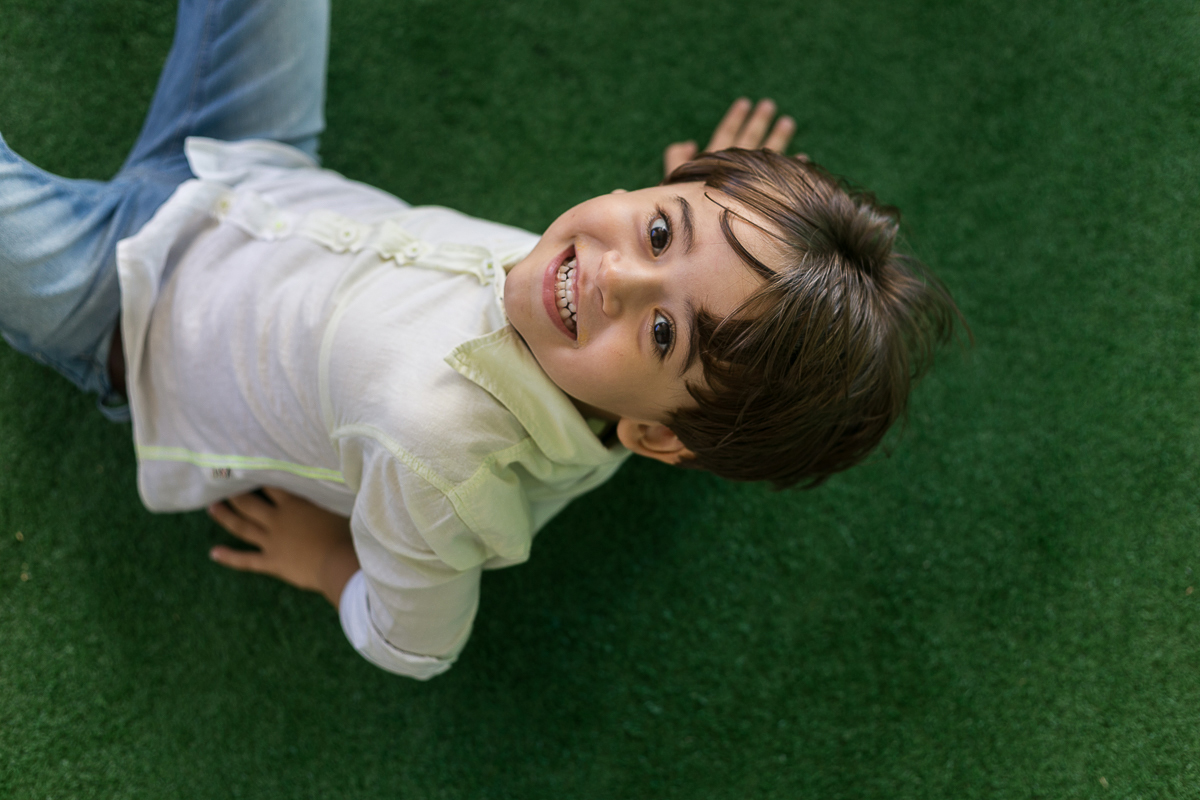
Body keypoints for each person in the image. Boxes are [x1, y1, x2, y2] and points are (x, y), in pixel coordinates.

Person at [0, 0, 961, 679]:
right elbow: (657, 294)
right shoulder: (615, 355)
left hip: (127, 310)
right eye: (663, 227)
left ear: (659, 439)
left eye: (665, 330)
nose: (615, 274)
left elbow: (414, 644)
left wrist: (330, 561)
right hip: (249, 161)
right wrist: (716, 203)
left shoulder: (438, 463)